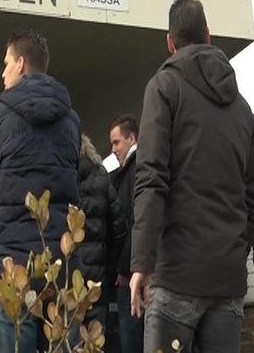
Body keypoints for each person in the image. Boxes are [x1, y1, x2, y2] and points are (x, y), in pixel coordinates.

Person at [130, 0, 254, 353]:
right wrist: (236, 247)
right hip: (227, 278)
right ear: (209, 35)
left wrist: (141, 262)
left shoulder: (163, 89)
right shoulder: (243, 109)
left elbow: (152, 179)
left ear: (170, 42)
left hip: (176, 273)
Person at [0, 30, 80, 353]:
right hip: (60, 263)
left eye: (6, 63)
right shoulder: (71, 120)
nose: (1, 71)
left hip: (15, 264)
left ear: (20, 64)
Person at [78, 134, 125, 339]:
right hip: (97, 279)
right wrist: (111, 266)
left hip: (68, 276)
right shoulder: (102, 176)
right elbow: (119, 226)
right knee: (96, 339)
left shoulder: (58, 175)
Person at [108, 114, 142, 353]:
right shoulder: (137, 169)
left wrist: (123, 269)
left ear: (132, 138)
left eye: (116, 142)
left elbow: (134, 222)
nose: (113, 150)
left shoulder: (135, 170)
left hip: (131, 276)